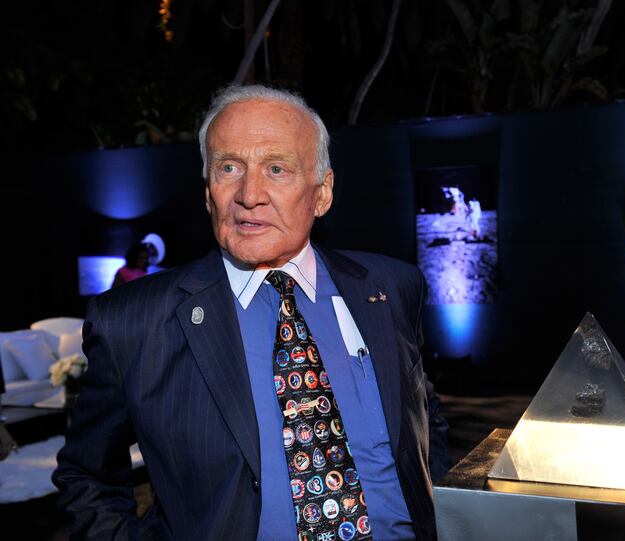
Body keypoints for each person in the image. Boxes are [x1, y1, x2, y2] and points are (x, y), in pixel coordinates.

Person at [54, 85, 452, 540]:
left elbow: (426, 425)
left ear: (322, 193)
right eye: (229, 168)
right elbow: (87, 478)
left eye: (276, 168)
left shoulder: (390, 287)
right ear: (209, 193)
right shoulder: (133, 322)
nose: (249, 194)